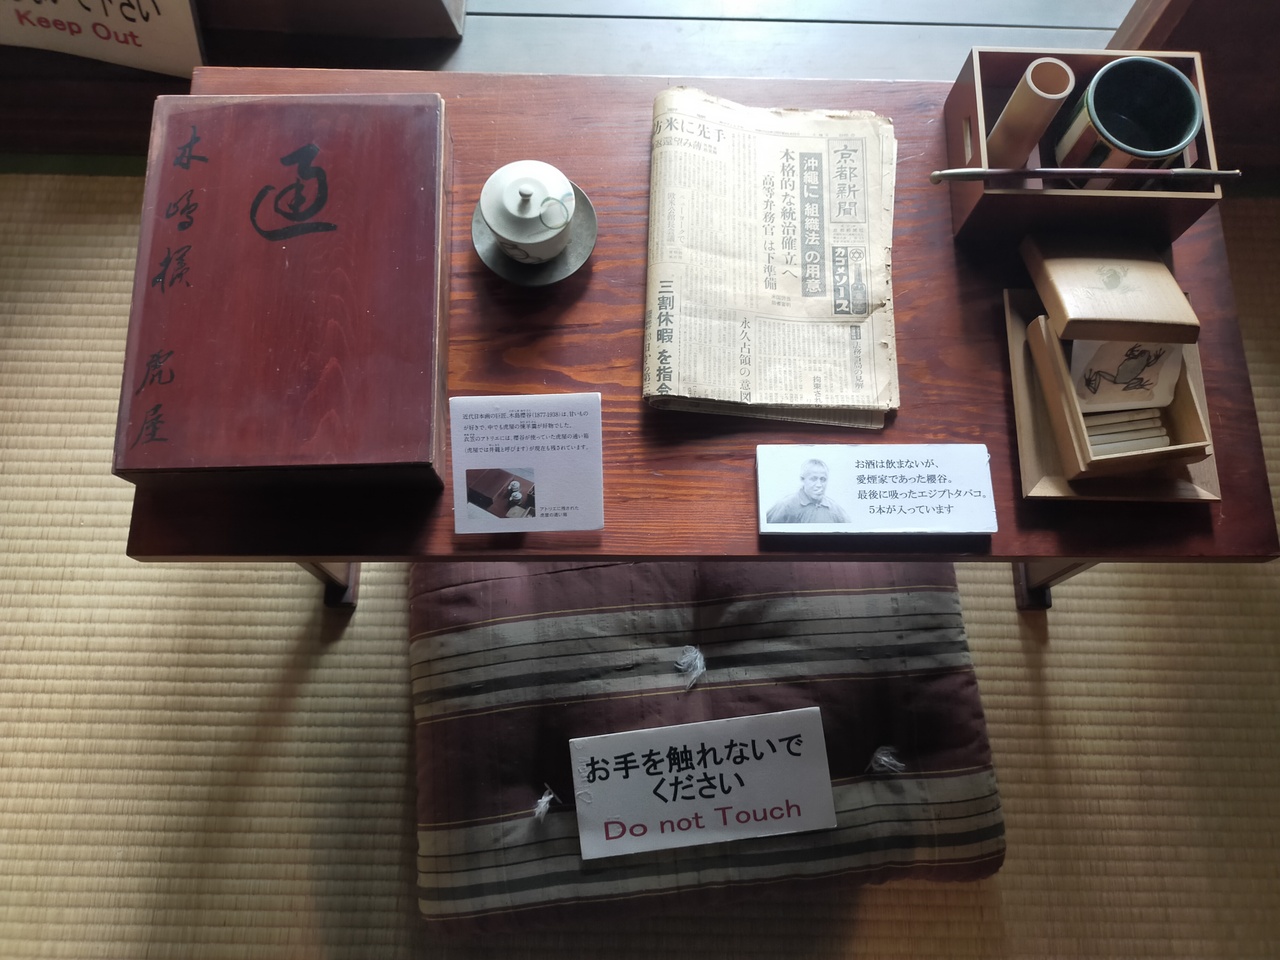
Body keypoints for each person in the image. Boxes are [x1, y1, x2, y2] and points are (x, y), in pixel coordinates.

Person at [766, 458, 850, 523]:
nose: (819, 485)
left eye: (823, 479)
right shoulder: (786, 506)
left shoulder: (835, 510)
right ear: (803, 479)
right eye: (813, 479)